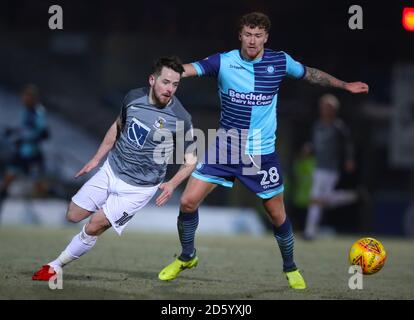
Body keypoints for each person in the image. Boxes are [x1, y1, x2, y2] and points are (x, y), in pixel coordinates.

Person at [158, 12, 369, 289]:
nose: (253, 41)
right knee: (187, 202)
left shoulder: (280, 61)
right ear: (240, 36)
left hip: (261, 153)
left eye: (258, 36)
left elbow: (311, 75)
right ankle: (187, 256)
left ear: (266, 38)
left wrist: (344, 85)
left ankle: (290, 266)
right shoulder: (223, 61)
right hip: (225, 147)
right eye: (248, 34)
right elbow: (189, 69)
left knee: (277, 215)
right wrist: (167, 74)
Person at [32, 56, 196, 280]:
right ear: (152, 80)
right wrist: (96, 158)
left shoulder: (181, 117)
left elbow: (191, 160)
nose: (170, 89)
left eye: (175, 84)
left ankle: (55, 266)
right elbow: (117, 127)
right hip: (111, 169)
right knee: (73, 214)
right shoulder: (133, 97)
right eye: (166, 82)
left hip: (139, 188)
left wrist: (172, 184)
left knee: (93, 226)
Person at [303, 94, 359, 240]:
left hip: (331, 168)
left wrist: (349, 160)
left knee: (321, 200)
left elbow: (348, 145)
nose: (325, 110)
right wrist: (309, 148)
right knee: (317, 199)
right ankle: (309, 232)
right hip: (318, 166)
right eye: (323, 107)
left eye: (329, 107)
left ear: (335, 110)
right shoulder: (317, 125)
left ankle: (350, 197)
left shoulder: (338, 126)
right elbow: (314, 143)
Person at [0, 84, 49, 219]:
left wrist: (23, 138)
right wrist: (15, 132)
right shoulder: (26, 111)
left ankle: (62, 208)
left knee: (40, 186)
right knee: (7, 180)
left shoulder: (37, 112)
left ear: (32, 98)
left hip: (32, 155)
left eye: (26, 96)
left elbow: (43, 133)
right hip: (21, 154)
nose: (23, 98)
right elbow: (25, 129)